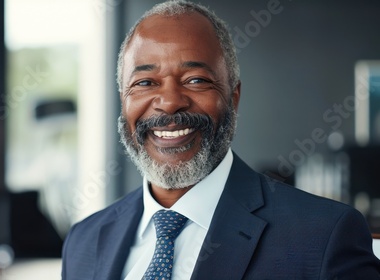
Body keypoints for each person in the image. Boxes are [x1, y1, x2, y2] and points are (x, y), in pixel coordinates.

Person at [61, 1, 380, 279]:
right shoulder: (84, 241)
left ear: (233, 97)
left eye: (196, 80)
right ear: (123, 101)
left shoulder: (324, 237)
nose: (169, 102)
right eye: (145, 82)